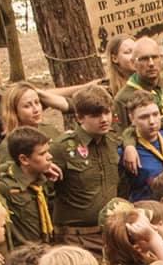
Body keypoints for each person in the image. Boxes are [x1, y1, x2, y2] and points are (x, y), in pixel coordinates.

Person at [51, 85, 124, 246]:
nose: (104, 119)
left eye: (107, 112)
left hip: (110, 232)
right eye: (96, 115)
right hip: (76, 237)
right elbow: (46, 190)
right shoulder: (62, 148)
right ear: (80, 117)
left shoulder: (114, 141)